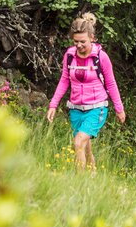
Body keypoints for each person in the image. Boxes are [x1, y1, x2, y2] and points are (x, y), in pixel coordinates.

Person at [47, 13, 126, 170]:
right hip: (76, 108)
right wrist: (53, 105)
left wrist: (119, 108)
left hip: (97, 108)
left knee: (78, 142)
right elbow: (64, 80)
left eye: (83, 41)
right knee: (84, 145)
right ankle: (92, 171)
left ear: (92, 38)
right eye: (76, 41)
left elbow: (110, 83)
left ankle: (79, 183)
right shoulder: (69, 56)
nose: (79, 45)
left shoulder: (101, 57)